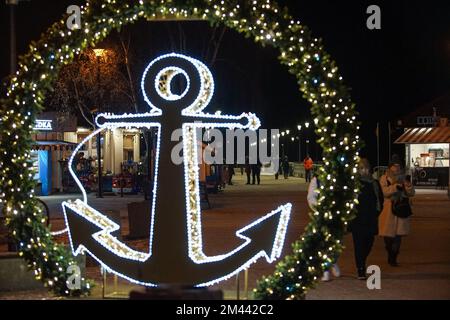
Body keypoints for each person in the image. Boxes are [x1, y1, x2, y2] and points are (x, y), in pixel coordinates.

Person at [349, 158, 384, 279]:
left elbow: (380, 199)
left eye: (365, 168)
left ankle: (361, 260)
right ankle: (361, 269)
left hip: (370, 219)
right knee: (358, 244)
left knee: (369, 243)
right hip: (357, 219)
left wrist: (376, 213)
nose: (363, 171)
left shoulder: (374, 183)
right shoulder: (354, 183)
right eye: (360, 168)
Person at [379, 162, 415, 266]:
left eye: (398, 169)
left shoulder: (404, 178)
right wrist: (395, 187)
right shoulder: (384, 178)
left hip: (401, 210)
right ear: (390, 169)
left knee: (398, 237)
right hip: (388, 211)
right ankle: (390, 251)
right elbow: (384, 192)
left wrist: (408, 186)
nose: (396, 171)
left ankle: (393, 257)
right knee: (388, 237)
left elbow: (411, 193)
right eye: (394, 170)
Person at [307, 174, 341, 281]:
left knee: (336, 241)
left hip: (336, 214)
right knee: (323, 242)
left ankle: (333, 261)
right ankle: (325, 269)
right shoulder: (316, 180)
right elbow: (311, 197)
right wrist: (319, 207)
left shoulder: (338, 177)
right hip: (321, 215)